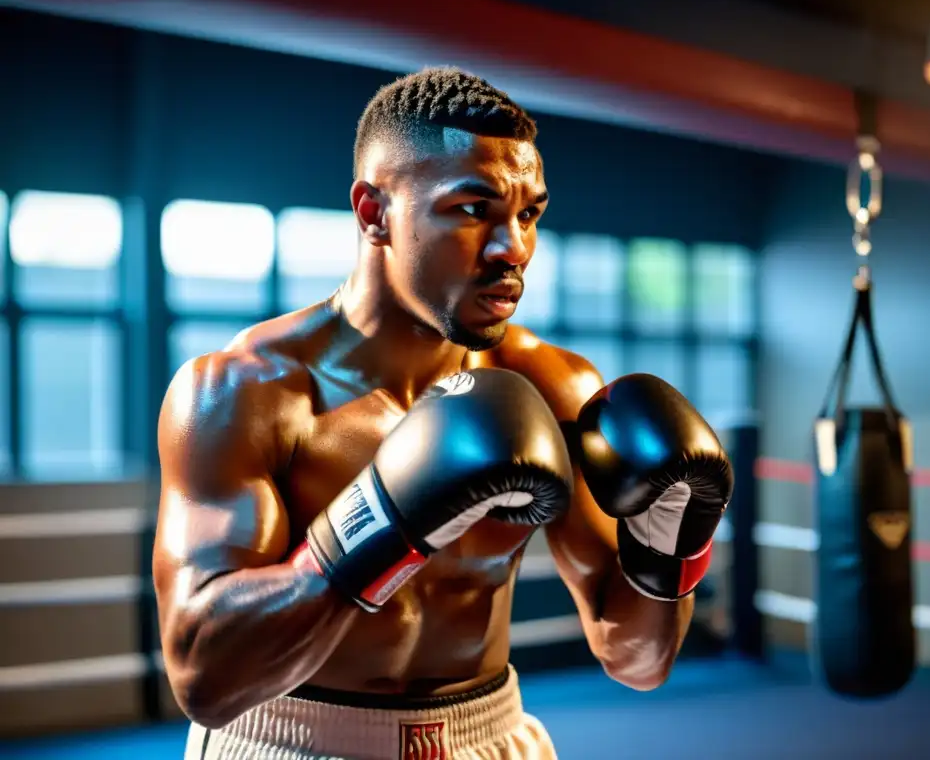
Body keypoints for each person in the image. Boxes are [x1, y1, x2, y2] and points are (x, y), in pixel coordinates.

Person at [154, 66, 733, 760]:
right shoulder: (248, 392)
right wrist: (381, 521)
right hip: (292, 741)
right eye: (471, 209)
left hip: (486, 737)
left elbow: (636, 660)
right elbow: (203, 677)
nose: (512, 248)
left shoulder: (549, 385)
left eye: (528, 215)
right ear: (375, 214)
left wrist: (670, 548)